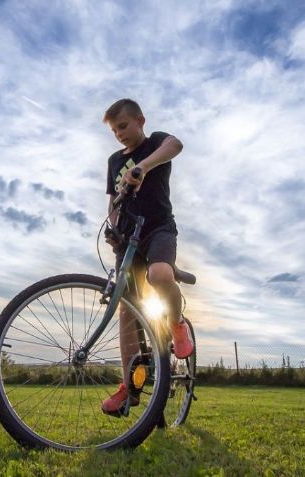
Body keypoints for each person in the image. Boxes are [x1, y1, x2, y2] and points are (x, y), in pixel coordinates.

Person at [99, 98, 194, 416]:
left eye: (123, 126)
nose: (119, 134)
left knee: (161, 276)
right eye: (114, 131)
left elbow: (175, 145)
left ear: (140, 120)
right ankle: (129, 388)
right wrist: (112, 228)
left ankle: (177, 323)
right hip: (128, 241)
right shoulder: (114, 160)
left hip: (157, 229)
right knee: (126, 311)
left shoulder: (155, 143)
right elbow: (112, 201)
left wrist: (143, 166)